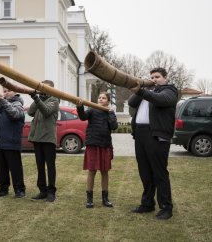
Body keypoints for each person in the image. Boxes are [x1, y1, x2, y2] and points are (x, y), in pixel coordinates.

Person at [128, 67, 178, 220]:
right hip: (141, 134)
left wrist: (143, 92)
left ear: (165, 78)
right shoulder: (147, 92)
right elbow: (131, 102)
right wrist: (140, 89)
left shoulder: (169, 90)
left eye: (157, 77)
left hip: (156, 135)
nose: (154, 79)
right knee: (145, 172)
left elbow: (162, 100)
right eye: (152, 77)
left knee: (159, 172)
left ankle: (166, 207)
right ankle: (147, 203)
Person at [76, 92, 118, 208]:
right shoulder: (92, 110)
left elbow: (114, 126)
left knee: (105, 171)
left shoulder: (110, 112)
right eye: (99, 97)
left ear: (108, 101)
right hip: (93, 143)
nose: (101, 99)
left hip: (105, 144)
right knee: (92, 171)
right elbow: (83, 117)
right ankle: (89, 199)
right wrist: (80, 106)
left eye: (104, 98)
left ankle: (105, 199)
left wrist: (110, 113)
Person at [0, 87, 26, 198]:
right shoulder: (2, 105)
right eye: (4, 91)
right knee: (1, 169)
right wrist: (0, 103)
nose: (6, 93)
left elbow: (14, 114)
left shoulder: (18, 104)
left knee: (15, 169)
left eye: (8, 90)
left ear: (15, 92)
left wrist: (3, 102)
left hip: (11, 143)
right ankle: (3, 189)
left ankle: (20, 190)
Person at [28, 80, 59, 202]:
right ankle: (42, 191)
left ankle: (51, 192)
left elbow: (46, 111)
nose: (42, 90)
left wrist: (37, 98)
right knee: (40, 166)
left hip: (48, 139)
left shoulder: (55, 100)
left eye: (45, 88)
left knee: (50, 166)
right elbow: (30, 112)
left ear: (51, 89)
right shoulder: (40, 98)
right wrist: (37, 98)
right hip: (37, 138)